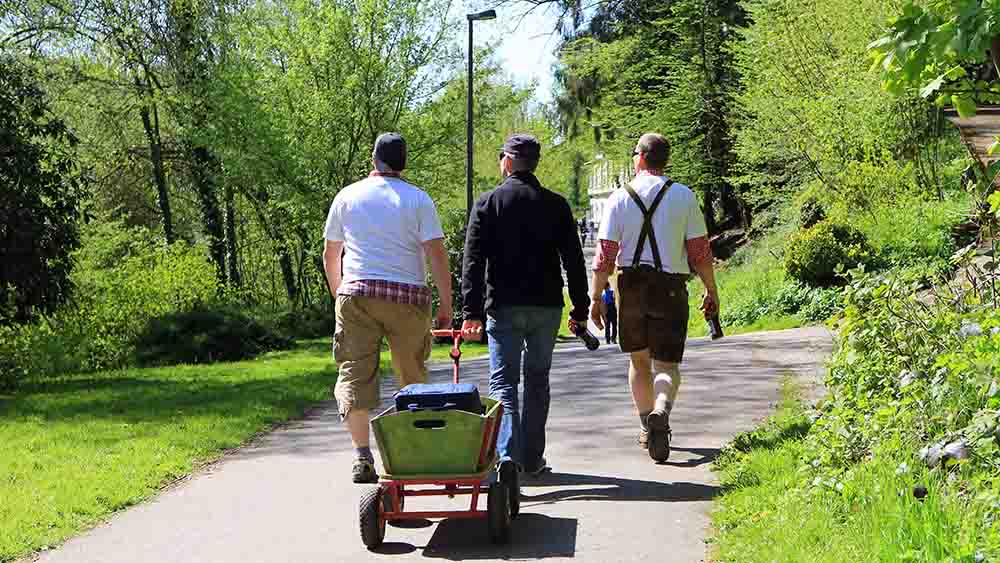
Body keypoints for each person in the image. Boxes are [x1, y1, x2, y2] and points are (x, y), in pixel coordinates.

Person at [323, 132, 453, 484]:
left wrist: (339, 294)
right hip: (407, 297)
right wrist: (446, 304)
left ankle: (362, 455)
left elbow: (331, 253)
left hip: (357, 294)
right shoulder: (418, 199)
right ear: (403, 163)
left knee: (354, 373)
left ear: (373, 159)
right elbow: (436, 254)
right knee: (411, 374)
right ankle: (412, 452)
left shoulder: (347, 196)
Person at [462, 134, 590, 476]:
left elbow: (472, 262)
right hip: (546, 306)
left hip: (503, 306)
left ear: (507, 161)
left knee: (503, 383)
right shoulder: (556, 204)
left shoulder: (488, 203)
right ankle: (532, 459)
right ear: (534, 163)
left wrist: (471, 311)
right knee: (537, 380)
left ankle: (508, 458)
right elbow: (574, 261)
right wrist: (580, 308)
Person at [589, 133, 719, 463]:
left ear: (642, 157)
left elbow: (605, 254)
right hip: (670, 287)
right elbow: (699, 251)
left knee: (639, 362)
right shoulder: (684, 196)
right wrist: (711, 289)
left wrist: (595, 297)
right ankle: (662, 410)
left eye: (635, 153)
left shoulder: (620, 197)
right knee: (667, 364)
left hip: (630, 286)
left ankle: (647, 424)